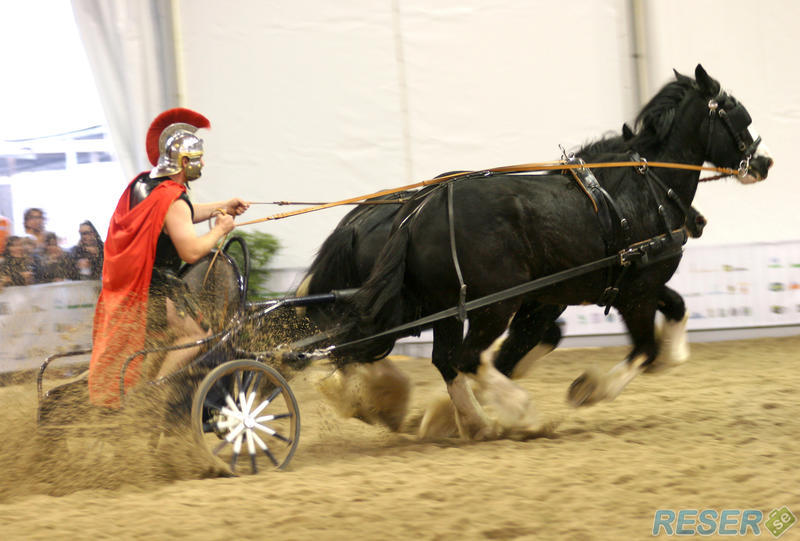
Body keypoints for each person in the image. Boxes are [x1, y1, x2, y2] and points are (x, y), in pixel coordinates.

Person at [88, 108, 250, 408]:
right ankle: (155, 390)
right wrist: (220, 230)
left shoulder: (145, 185)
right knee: (199, 335)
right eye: (198, 158)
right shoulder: (172, 198)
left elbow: (180, 216)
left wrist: (222, 206)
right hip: (157, 291)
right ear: (184, 162)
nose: (202, 164)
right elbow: (190, 250)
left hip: (134, 288)